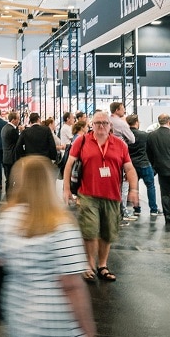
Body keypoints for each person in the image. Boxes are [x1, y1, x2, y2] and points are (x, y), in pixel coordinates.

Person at [0, 155, 100, 337]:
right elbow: (72, 286)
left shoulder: (7, 219)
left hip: (18, 317)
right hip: (55, 323)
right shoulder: (61, 224)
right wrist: (88, 335)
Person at [61, 111, 139, 282]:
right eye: (97, 123)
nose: (101, 126)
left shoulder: (120, 144)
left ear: (110, 125)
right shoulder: (82, 141)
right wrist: (66, 188)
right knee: (89, 230)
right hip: (88, 194)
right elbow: (69, 165)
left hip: (112, 195)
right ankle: (89, 264)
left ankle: (102, 265)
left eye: (104, 123)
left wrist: (134, 190)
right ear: (92, 125)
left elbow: (129, 168)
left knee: (107, 232)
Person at [126, 114, 159, 217]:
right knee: (150, 186)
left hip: (131, 166)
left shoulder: (126, 136)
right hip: (144, 164)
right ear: (136, 122)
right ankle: (153, 210)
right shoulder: (144, 135)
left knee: (134, 187)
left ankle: (137, 209)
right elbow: (151, 150)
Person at [1, 112, 21, 191]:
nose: (19, 121)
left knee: (8, 179)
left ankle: (8, 196)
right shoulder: (12, 130)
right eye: (18, 119)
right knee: (12, 180)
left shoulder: (4, 128)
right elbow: (18, 142)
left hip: (6, 157)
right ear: (13, 120)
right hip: (12, 157)